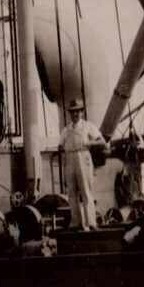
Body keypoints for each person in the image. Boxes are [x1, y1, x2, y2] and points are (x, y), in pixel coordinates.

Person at [60, 98, 108, 231]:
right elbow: (60, 145)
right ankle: (75, 222)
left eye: (77, 112)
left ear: (81, 112)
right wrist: (63, 152)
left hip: (83, 157)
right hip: (70, 159)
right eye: (72, 112)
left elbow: (102, 141)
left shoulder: (88, 126)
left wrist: (88, 143)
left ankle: (91, 222)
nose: (75, 114)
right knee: (72, 192)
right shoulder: (66, 129)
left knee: (86, 191)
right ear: (70, 113)